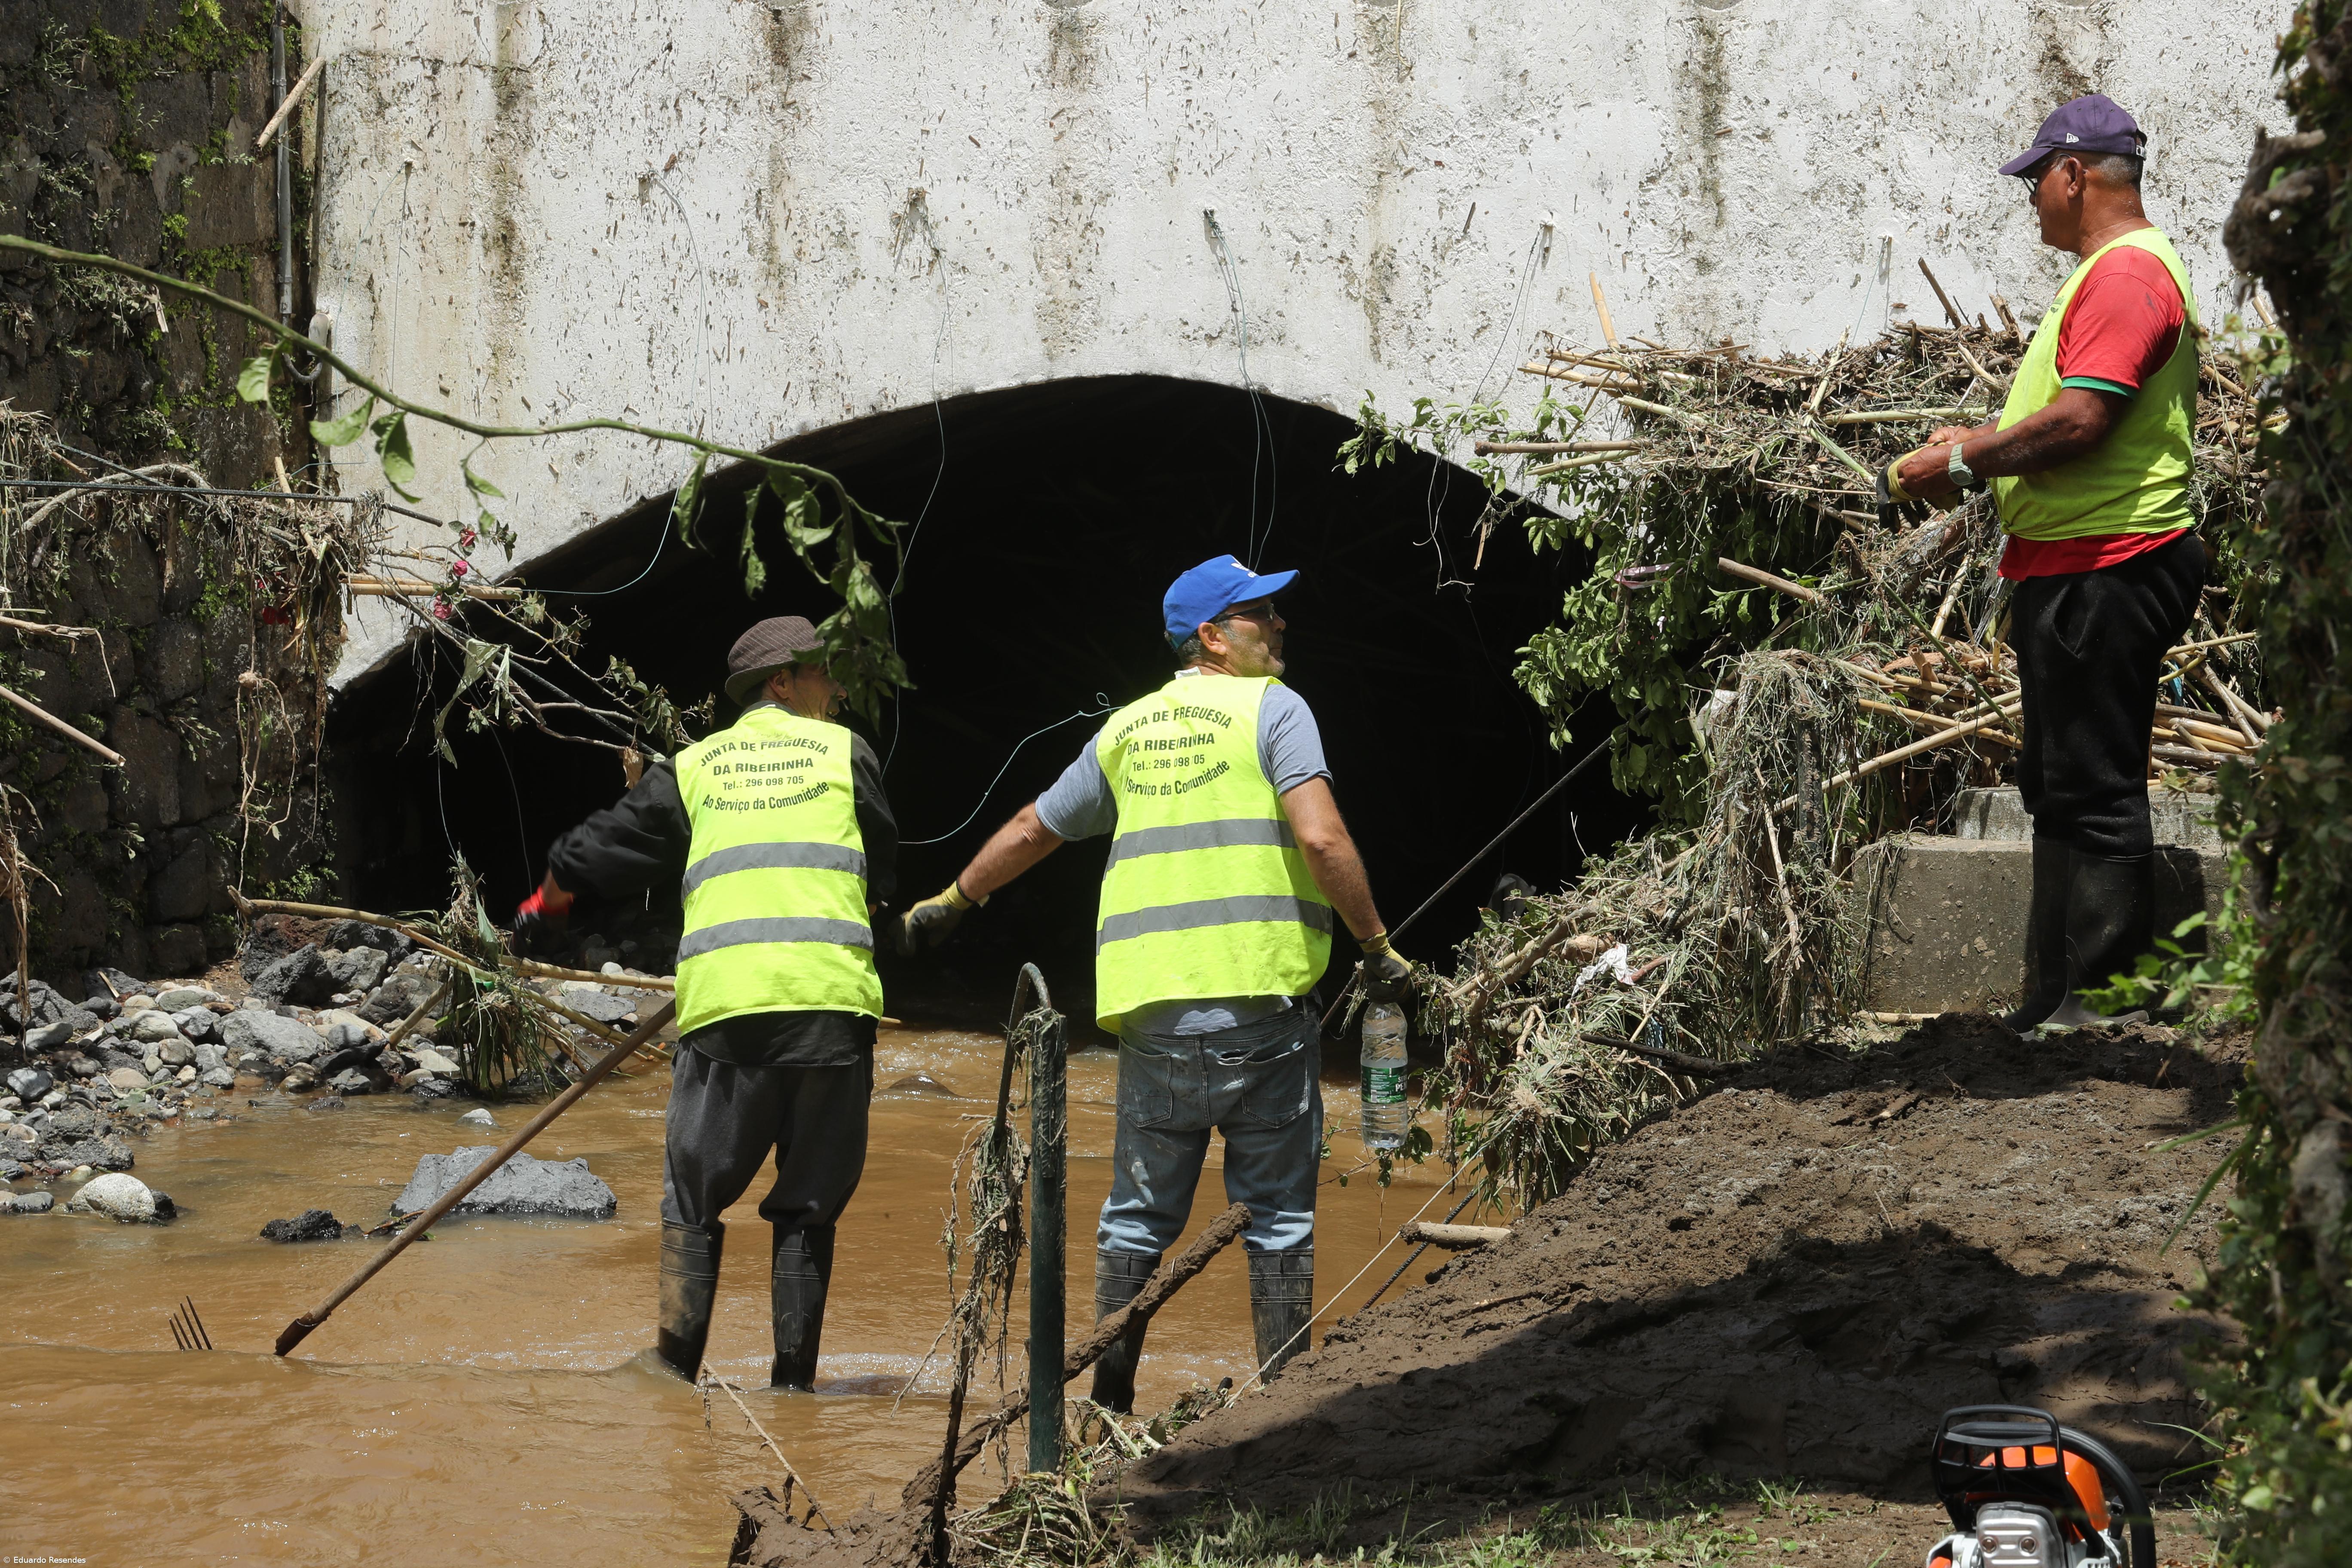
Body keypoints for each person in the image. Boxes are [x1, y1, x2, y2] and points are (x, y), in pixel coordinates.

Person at [896, 554, 1411, 1409]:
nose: (1279, 624)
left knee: (1136, 1218)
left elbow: (1034, 828)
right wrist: (1376, 945)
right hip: (1262, 1013)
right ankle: (1286, 1407)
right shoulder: (1275, 709)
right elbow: (1321, 839)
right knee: (1279, 1218)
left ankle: (1106, 1411)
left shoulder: (1129, 730)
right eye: (1260, 614)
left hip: (1154, 1024)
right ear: (1213, 637)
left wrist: (955, 898)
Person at [1884, 94, 2205, 1033]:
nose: (2031, 199)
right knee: (2062, 782)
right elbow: (2066, 410)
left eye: (2035, 181)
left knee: (2095, 785)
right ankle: (2058, 999)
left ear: (2074, 175)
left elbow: (2082, 419)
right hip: (2074, 564)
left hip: (2113, 563)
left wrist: (1959, 463)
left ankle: (2102, 1007)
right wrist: (1975, 442)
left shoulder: (2128, 274)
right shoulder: (2112, 273)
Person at [513, 615, 896, 1387]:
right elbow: (880, 873)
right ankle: (793, 1392)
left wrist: (541, 908)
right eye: (823, 673)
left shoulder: (695, 767)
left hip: (728, 1017)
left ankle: (672, 1376)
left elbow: (596, 851)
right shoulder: (845, 753)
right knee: (809, 1208)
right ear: (781, 682)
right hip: (832, 1012)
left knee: (693, 1200)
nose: (837, 688)